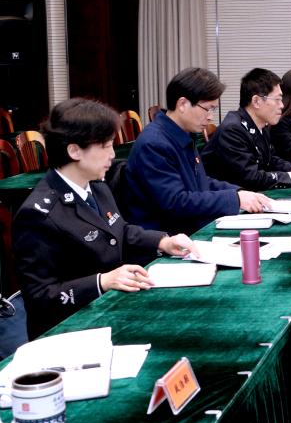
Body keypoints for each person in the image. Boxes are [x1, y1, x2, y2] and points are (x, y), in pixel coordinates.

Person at [12, 99, 197, 338]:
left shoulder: (97, 186)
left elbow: (118, 231)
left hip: (112, 313)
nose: (112, 154)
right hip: (71, 333)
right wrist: (102, 282)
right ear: (74, 151)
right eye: (105, 146)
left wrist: (163, 241)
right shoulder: (38, 214)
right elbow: (40, 296)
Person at [123, 67, 272, 235]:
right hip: (166, 240)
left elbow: (199, 182)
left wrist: (238, 192)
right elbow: (176, 202)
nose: (210, 117)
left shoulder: (182, 133)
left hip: (189, 229)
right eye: (207, 108)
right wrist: (234, 199)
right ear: (182, 104)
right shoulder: (154, 143)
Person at [201, 68, 291, 190]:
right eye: (277, 99)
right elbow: (250, 178)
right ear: (256, 101)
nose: (282, 105)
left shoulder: (261, 125)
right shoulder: (232, 130)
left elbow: (270, 160)